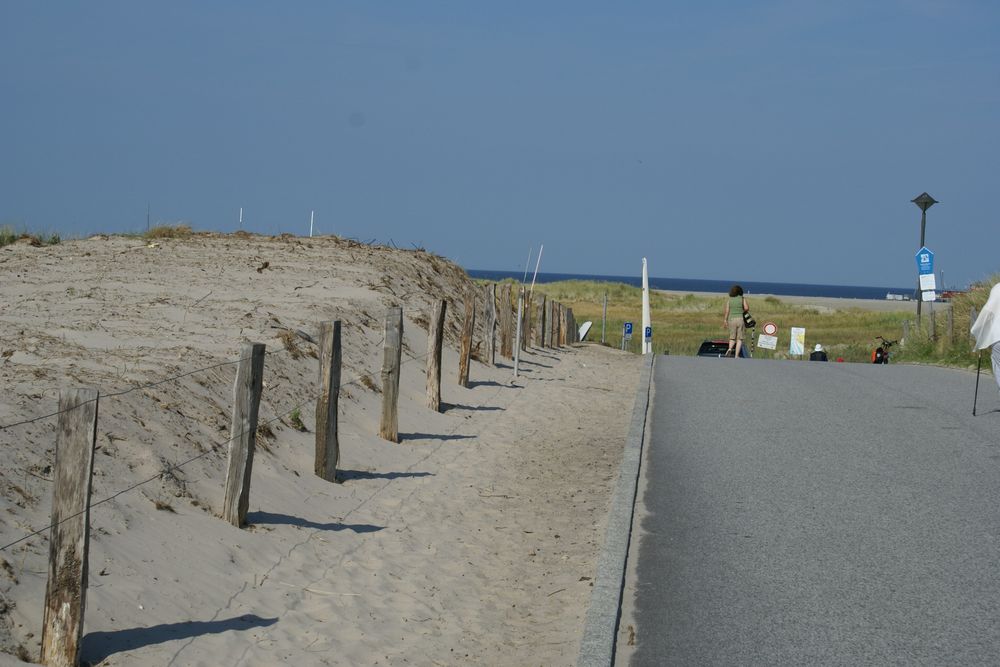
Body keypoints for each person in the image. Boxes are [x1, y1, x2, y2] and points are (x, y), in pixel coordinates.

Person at [723, 284, 748, 358]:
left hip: (731, 319)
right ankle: (736, 355)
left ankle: (730, 349)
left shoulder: (730, 299)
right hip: (740, 319)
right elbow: (746, 308)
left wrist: (725, 320)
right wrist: (742, 310)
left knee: (732, 337)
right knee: (740, 338)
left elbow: (727, 311)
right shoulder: (742, 298)